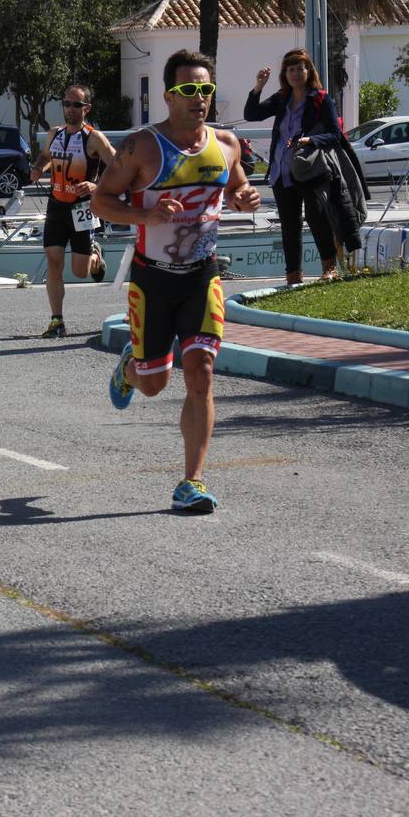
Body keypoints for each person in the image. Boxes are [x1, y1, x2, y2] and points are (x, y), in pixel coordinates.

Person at [91, 49, 261, 513]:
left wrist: (244, 199)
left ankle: (193, 481)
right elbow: (101, 201)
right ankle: (130, 368)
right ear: (168, 96)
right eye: (189, 90)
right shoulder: (142, 147)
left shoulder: (225, 144)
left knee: (201, 372)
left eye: (205, 89)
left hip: (202, 277)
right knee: (153, 384)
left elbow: (236, 188)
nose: (199, 98)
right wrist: (143, 213)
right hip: (153, 280)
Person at [244, 48, 345, 284]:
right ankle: (293, 276)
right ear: (285, 74)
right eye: (291, 69)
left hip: (309, 170)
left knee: (316, 217)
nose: (296, 73)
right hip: (282, 171)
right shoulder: (282, 98)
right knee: (289, 225)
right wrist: (258, 87)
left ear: (309, 71)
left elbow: (335, 135)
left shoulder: (321, 98)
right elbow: (252, 114)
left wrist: (310, 140)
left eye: (300, 68)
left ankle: (329, 268)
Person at [27, 84, 115, 337]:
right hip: (56, 206)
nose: (70, 109)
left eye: (76, 105)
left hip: (82, 208)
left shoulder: (94, 138)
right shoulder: (55, 133)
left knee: (80, 271)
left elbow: (119, 166)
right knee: (54, 263)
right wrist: (37, 169)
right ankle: (57, 321)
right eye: (66, 103)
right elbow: (45, 157)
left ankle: (95, 259)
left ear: (86, 108)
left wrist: (96, 185)